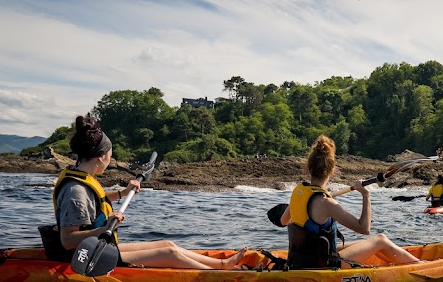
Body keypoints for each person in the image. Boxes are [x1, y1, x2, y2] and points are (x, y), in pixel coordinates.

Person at [48, 115, 247, 269]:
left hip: (100, 249)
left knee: (168, 243)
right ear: (101, 157)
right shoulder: (76, 191)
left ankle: (222, 265)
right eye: (110, 154)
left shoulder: (83, 181)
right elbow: (67, 241)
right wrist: (104, 228)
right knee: (169, 253)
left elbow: (95, 202)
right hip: (87, 257)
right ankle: (219, 277)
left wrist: (123, 193)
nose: (111, 158)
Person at [278, 135, 421, 269]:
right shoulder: (327, 203)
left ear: (309, 167)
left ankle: (407, 263)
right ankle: (421, 266)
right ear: (332, 170)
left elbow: (284, 221)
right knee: (380, 240)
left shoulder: (298, 192)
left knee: (361, 244)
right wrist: (365, 195)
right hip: (323, 264)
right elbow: (364, 229)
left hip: (301, 259)